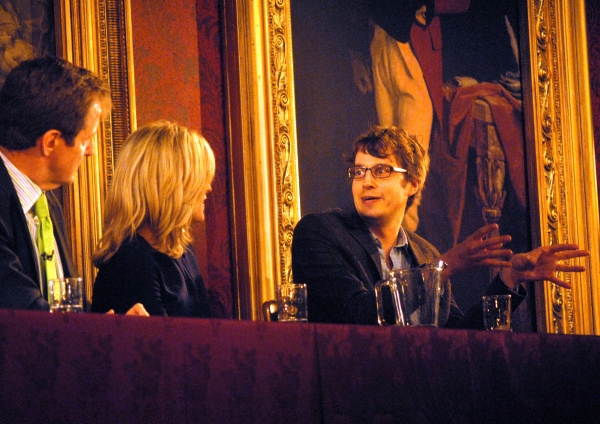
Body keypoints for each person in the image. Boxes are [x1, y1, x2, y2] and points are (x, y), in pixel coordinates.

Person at [291, 126, 589, 327]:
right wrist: (442, 269)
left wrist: (510, 279)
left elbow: (458, 336)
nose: (366, 181)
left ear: (412, 183)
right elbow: (358, 315)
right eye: (358, 171)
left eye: (381, 170)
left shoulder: (423, 251)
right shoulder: (320, 233)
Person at [0, 56, 147, 316]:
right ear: (51, 141)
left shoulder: (46, 202)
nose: (90, 151)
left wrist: (112, 327)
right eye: (86, 139)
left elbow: (65, 310)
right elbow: (21, 310)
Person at [91, 120, 214, 318]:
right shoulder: (130, 264)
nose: (208, 187)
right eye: (199, 177)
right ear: (170, 184)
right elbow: (159, 346)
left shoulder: (183, 250)